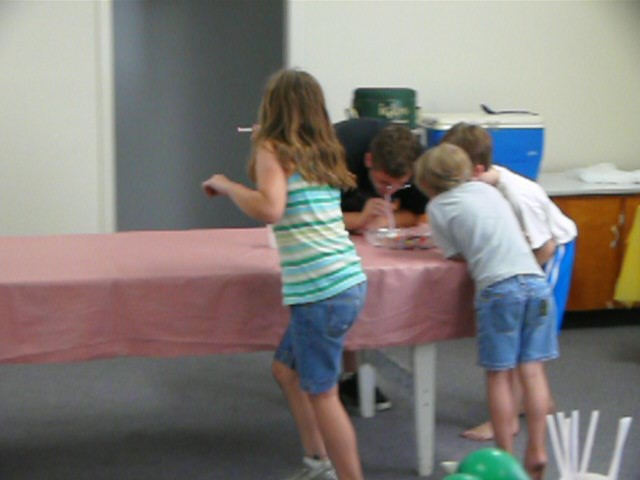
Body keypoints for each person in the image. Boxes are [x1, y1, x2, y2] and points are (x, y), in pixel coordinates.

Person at [202, 68, 368, 480]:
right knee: (286, 371)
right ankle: (317, 462)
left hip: (320, 291)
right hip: (345, 283)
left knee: (323, 394)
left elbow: (270, 208)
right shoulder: (321, 151)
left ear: (272, 108)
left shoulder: (272, 147)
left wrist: (227, 186)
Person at [414, 143, 558, 480]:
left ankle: (505, 458)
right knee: (532, 371)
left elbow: (455, 254)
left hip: (499, 290)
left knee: (498, 375)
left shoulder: (438, 207)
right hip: (537, 284)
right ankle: (537, 448)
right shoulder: (487, 190)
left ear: (428, 184)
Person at [441, 122, 577, 442]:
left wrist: (509, 277)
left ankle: (508, 418)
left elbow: (545, 247)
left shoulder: (518, 196)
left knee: (521, 335)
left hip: (550, 253)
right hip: (524, 254)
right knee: (523, 339)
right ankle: (535, 401)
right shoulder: (483, 185)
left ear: (476, 170)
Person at [335, 118, 428, 412]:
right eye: (385, 183)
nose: (391, 191)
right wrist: (360, 219)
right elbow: (312, 217)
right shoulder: (336, 155)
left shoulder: (416, 165)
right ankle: (339, 372)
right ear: (368, 161)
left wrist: (384, 219)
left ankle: (356, 376)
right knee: (339, 291)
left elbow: (415, 213)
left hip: (366, 234)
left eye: (400, 185)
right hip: (335, 219)